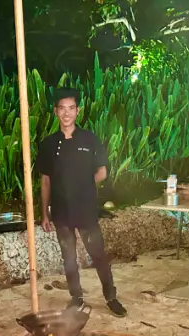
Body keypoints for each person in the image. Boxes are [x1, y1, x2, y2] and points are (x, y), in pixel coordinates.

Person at [37, 87, 127, 317]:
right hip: (60, 211)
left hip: (85, 209)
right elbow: (45, 181)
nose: (66, 113)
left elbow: (103, 172)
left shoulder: (90, 139)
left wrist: (84, 189)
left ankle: (111, 296)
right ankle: (76, 297)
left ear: (77, 111)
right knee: (68, 256)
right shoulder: (48, 144)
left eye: (71, 108)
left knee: (98, 254)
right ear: (55, 112)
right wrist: (45, 213)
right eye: (62, 109)